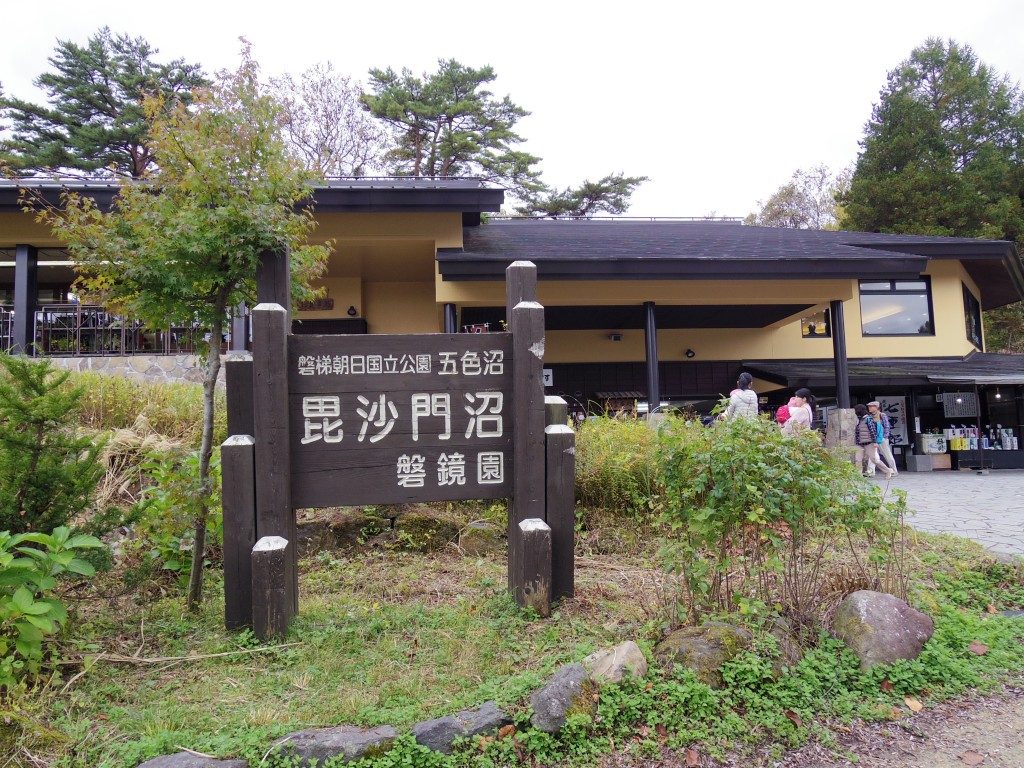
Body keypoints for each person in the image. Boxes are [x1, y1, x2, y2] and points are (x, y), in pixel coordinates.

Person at [855, 403, 892, 478]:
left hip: (869, 443)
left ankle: (888, 470)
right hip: (860, 444)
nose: (855, 412)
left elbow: (873, 431)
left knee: (874, 460)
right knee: (858, 460)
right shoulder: (860, 420)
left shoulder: (868, 419)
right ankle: (858, 476)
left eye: (856, 410)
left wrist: (875, 442)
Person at [867, 401, 898, 476]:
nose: (869, 408)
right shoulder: (870, 416)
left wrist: (884, 437)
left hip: (881, 439)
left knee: (887, 455)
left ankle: (894, 471)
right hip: (873, 439)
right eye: (869, 406)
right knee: (872, 455)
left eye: (871, 406)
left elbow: (887, 426)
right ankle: (870, 472)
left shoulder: (882, 415)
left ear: (876, 407)